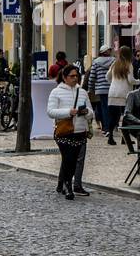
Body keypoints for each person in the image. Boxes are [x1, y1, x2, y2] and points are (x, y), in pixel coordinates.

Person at [47, 64, 93, 201]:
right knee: (69, 159)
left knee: (71, 160)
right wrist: (68, 112)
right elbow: (50, 111)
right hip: (63, 131)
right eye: (72, 76)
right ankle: (68, 186)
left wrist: (86, 112)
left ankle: (61, 183)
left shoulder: (83, 92)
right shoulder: (56, 92)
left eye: (76, 76)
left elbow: (91, 112)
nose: (75, 78)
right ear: (64, 77)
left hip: (79, 130)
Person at [105, 45, 136, 145]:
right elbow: (131, 80)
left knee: (113, 117)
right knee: (126, 116)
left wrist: (113, 83)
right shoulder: (129, 65)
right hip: (124, 93)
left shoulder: (115, 64)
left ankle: (110, 138)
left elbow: (107, 77)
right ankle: (124, 138)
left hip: (113, 93)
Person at [85, 46, 114, 128]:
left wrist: (90, 89)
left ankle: (106, 127)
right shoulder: (114, 61)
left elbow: (92, 77)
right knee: (111, 107)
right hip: (112, 88)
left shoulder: (95, 62)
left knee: (104, 108)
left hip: (100, 89)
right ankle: (111, 125)